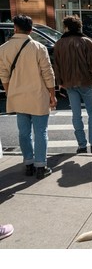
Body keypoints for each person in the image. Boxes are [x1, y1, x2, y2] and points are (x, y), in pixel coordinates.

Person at [0, 14, 57, 179]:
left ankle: (28, 164)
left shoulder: (3, 49)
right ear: (31, 30)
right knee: (40, 131)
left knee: (23, 132)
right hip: (38, 95)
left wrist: (10, 91)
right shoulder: (39, 47)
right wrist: (52, 95)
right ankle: (41, 166)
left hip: (17, 95)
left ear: (15, 28)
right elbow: (48, 73)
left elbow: (3, 75)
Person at [54, 15, 92, 154]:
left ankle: (81, 146)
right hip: (85, 82)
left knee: (76, 115)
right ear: (79, 27)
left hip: (69, 83)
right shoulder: (86, 41)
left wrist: (59, 82)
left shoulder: (59, 44)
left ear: (66, 27)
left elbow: (56, 65)